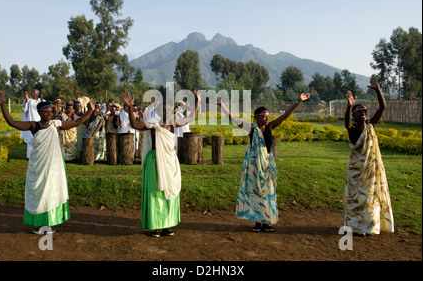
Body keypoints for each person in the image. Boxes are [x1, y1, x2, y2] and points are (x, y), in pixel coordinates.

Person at [0, 91, 95, 234]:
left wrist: (90, 111)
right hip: (38, 166)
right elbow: (12, 122)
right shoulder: (33, 126)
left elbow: (77, 122)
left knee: (51, 193)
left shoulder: (56, 124)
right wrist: (3, 106)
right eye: (46, 112)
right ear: (39, 113)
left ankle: (50, 225)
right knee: (39, 193)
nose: (49, 114)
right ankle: (41, 223)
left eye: (50, 112)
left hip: (53, 167)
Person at [217, 93, 310, 232]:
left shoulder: (270, 126)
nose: (268, 118)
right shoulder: (252, 129)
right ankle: (257, 223)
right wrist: (222, 106)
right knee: (255, 193)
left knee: (268, 192)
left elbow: (285, 116)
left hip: (267, 165)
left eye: (268, 115)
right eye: (264, 116)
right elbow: (234, 119)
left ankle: (266, 222)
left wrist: (298, 101)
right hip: (255, 167)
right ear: (257, 117)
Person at [122, 90, 201, 237]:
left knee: (168, 191)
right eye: (164, 109)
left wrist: (197, 100)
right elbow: (134, 125)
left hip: (170, 161)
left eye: (169, 109)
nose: (167, 111)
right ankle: (156, 226)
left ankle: (167, 226)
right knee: (155, 192)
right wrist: (130, 108)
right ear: (158, 111)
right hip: (154, 161)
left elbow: (191, 117)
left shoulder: (173, 124)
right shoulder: (152, 125)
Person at [344, 80, 394, 236]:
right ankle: (356, 226)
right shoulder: (352, 130)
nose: (364, 114)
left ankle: (368, 226)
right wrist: (349, 105)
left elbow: (382, 107)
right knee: (356, 200)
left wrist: (378, 90)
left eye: (365, 112)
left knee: (370, 199)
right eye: (360, 112)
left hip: (371, 171)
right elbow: (346, 123)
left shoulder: (371, 126)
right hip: (356, 171)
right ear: (354, 115)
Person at [21, 88, 42, 158]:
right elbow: (25, 109)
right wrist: (26, 100)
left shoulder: (41, 100)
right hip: (31, 121)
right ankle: (30, 155)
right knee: (30, 139)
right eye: (31, 92)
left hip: (40, 122)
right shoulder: (29, 101)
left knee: (39, 139)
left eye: (33, 92)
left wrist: (42, 101)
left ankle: (39, 154)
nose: (32, 94)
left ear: (37, 94)